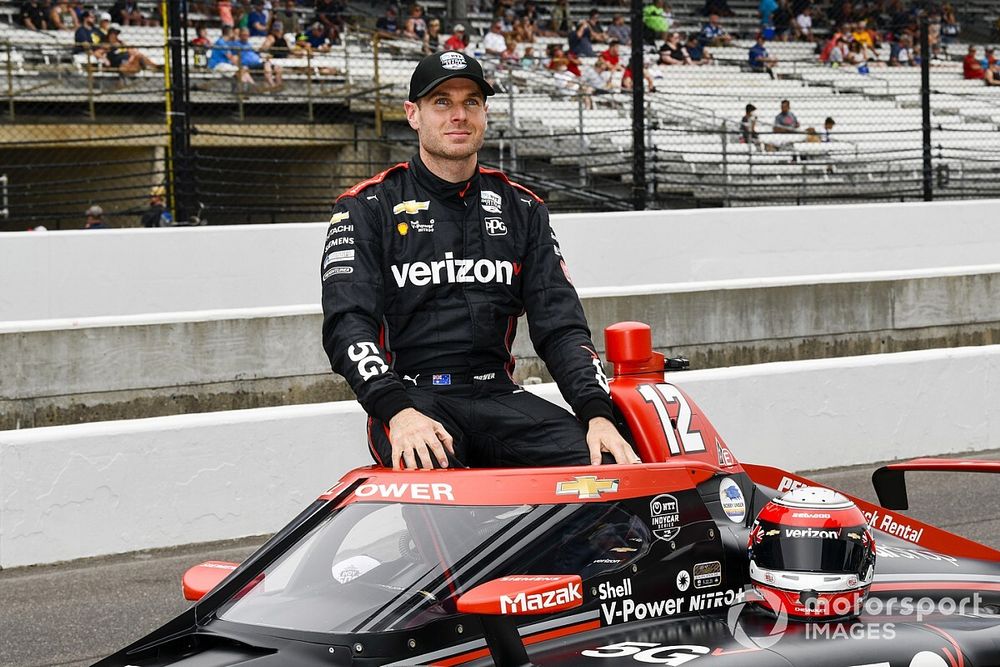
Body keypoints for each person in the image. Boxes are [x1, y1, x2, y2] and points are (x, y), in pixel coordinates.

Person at [320, 51, 641, 471]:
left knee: (614, 464)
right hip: (414, 399)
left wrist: (598, 414)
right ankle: (422, 540)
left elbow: (560, 327)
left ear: (485, 114)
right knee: (431, 464)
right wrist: (396, 411)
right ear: (413, 114)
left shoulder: (523, 208)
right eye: (442, 102)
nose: (459, 115)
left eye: (471, 102)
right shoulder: (367, 206)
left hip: (499, 396)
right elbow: (347, 325)